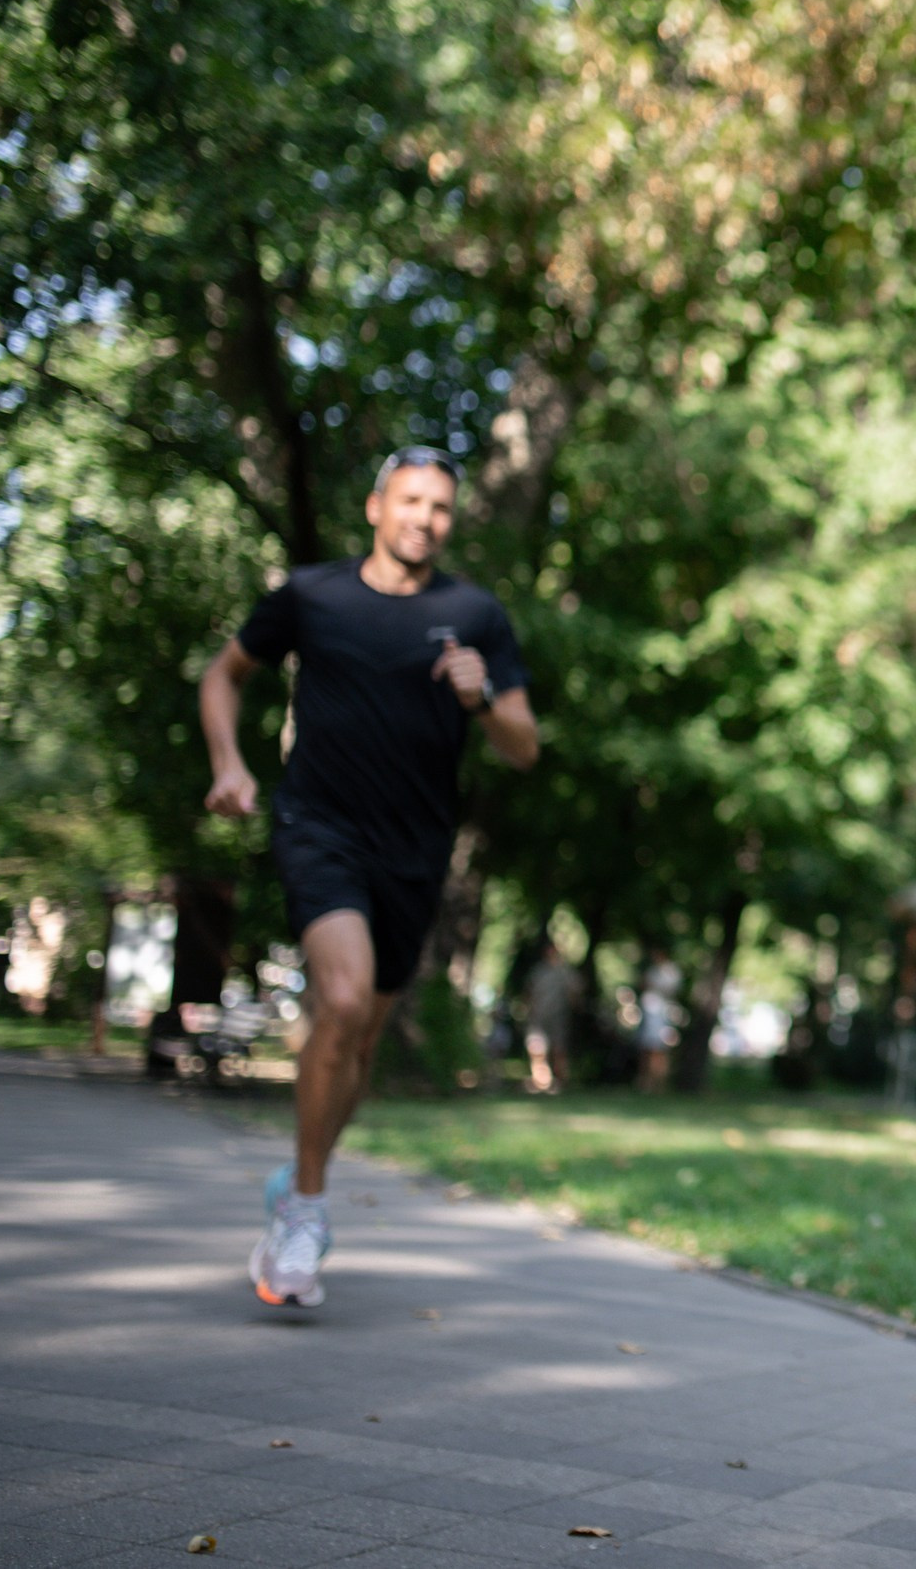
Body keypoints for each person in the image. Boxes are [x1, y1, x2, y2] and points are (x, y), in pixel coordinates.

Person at [200, 447, 539, 1308]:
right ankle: (306, 1212)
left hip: (415, 853)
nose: (426, 517)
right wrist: (231, 765)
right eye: (412, 500)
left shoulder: (475, 613)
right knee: (342, 1002)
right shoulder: (312, 595)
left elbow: (524, 746)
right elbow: (223, 675)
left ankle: (299, 1179)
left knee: (362, 1039)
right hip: (320, 827)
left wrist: (482, 695)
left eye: (442, 507)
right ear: (375, 505)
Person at [522, 942, 579, 1095]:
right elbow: (530, 992)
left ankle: (560, 1081)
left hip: (558, 1016)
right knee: (536, 1049)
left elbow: (574, 992)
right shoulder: (538, 971)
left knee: (558, 1050)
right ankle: (542, 1082)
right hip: (538, 1016)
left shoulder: (565, 971)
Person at [636, 947, 682, 1093]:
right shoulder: (652, 970)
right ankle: (646, 1082)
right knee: (648, 1049)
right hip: (650, 1015)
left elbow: (672, 990)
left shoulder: (671, 971)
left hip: (662, 1015)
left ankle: (659, 1084)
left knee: (660, 1050)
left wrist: (654, 986)